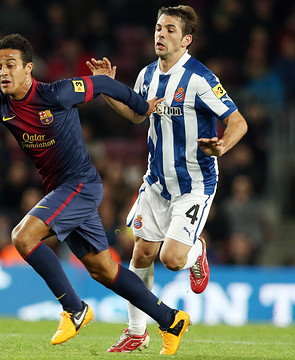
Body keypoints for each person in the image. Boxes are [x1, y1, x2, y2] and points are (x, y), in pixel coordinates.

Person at [0, 33, 191, 355]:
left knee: (23, 237)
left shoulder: (57, 93)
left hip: (80, 185)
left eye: (10, 65)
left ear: (28, 69)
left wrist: (141, 106)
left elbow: (104, 85)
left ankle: (74, 310)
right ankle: (171, 319)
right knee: (104, 270)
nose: (3, 72)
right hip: (62, 190)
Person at [87, 5, 248, 353]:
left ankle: (198, 250)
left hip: (194, 184)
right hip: (157, 182)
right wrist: (107, 88)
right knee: (141, 253)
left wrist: (222, 147)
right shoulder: (146, 75)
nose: (160, 34)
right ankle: (135, 331)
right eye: (158, 27)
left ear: (186, 39)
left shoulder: (200, 79)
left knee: (172, 259)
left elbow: (238, 122)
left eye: (170, 29)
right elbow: (135, 114)